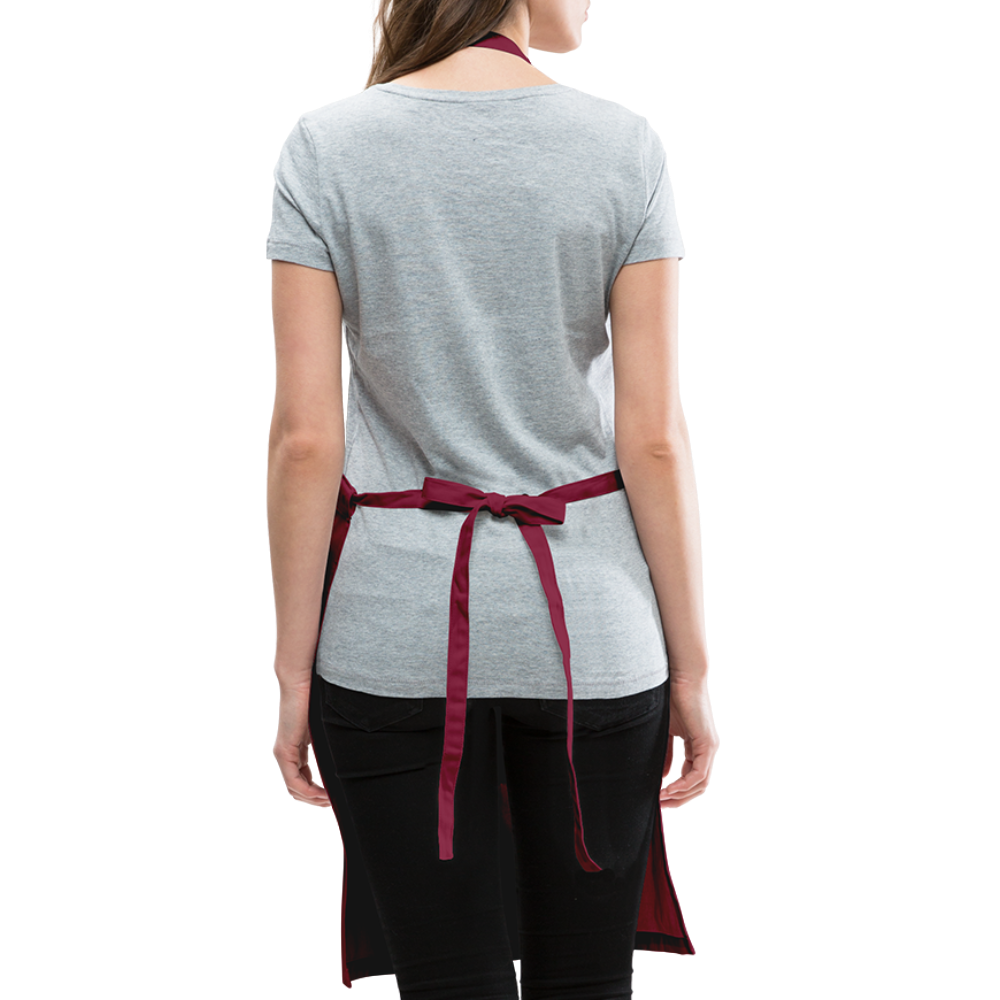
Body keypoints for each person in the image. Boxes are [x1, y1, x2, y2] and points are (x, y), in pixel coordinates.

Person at [266, 0, 720, 996]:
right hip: (593, 637)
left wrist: (293, 678)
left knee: (444, 981)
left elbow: (305, 438)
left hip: (390, 633)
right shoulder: (623, 144)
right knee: (588, 980)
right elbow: (652, 435)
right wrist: (691, 671)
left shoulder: (325, 145)